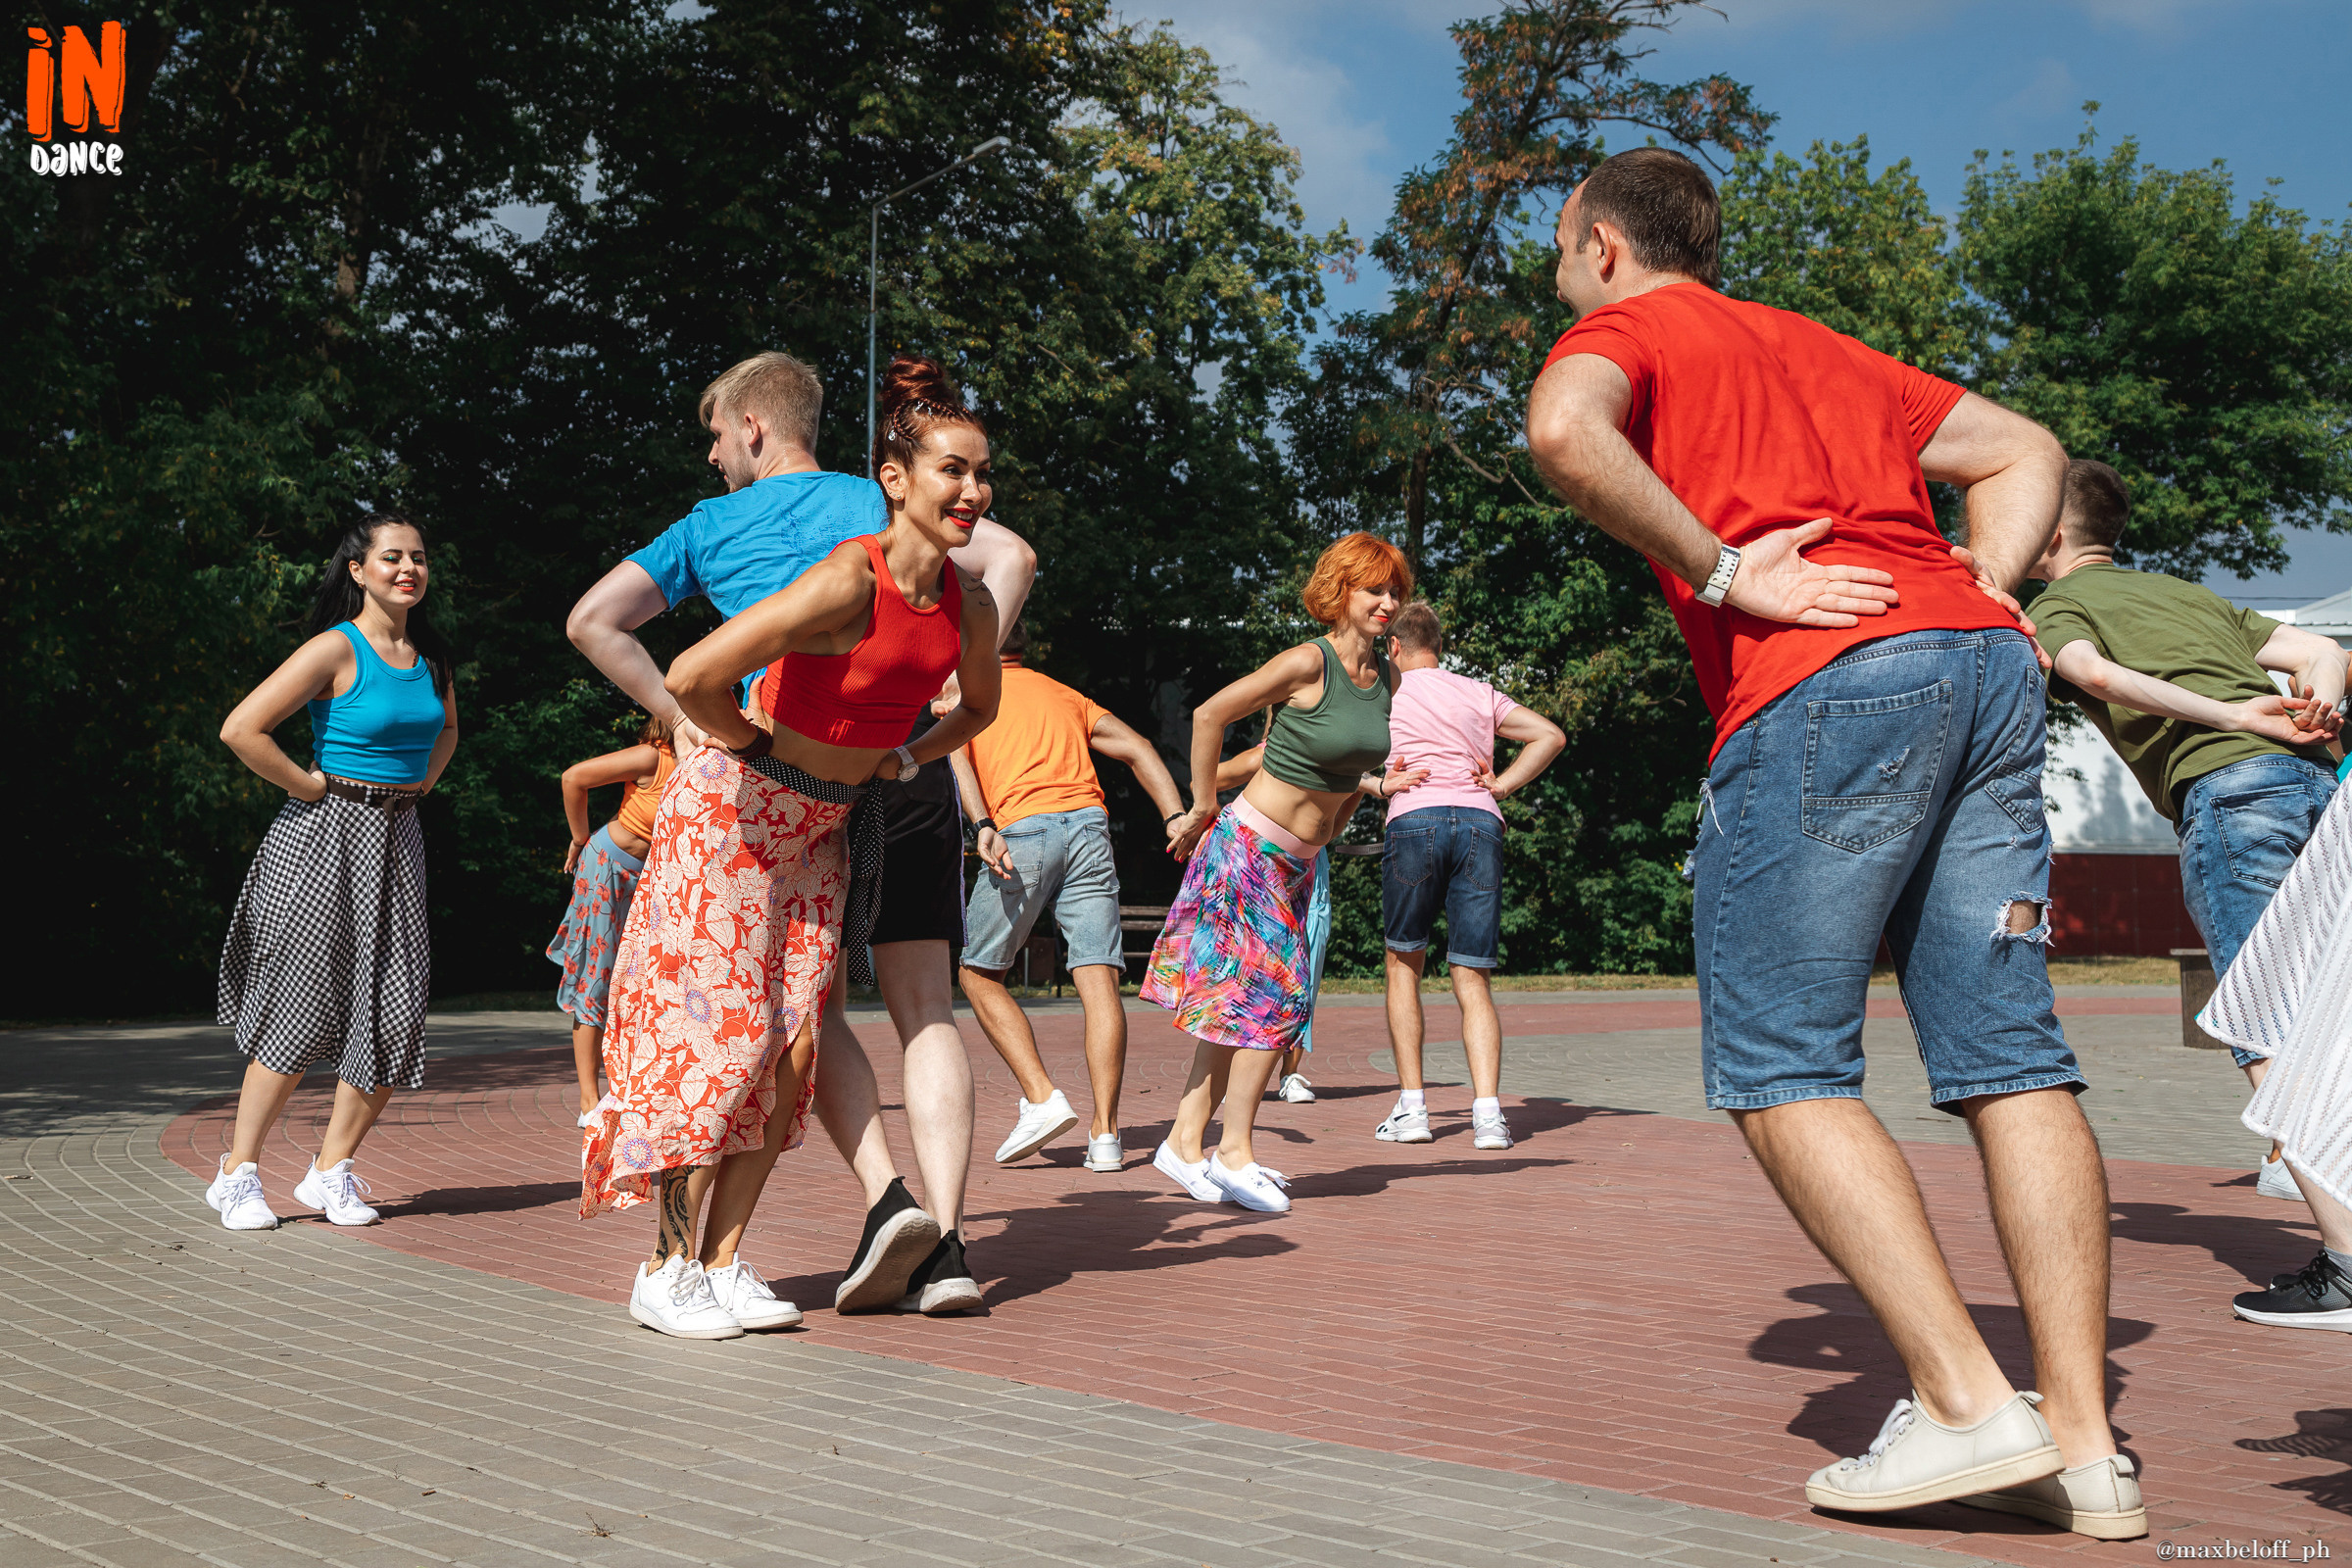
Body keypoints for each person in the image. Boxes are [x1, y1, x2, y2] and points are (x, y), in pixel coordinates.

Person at [1524, 148, 2141, 1537]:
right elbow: (2027, 448)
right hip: (1982, 669)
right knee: (2009, 1058)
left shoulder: (1623, 329)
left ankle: (1971, 1406)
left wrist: (1730, 570)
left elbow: (1566, 433)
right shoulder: (1818, 347)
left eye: (1562, 253)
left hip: (1826, 686)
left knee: (1779, 1063)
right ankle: (2088, 1451)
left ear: (1604, 244)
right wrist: (1980, 576)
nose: (1562, 278)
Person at [566, 350, 1024, 1337]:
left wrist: (907, 759)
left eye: (984, 474)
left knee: (792, 1055)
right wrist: (733, 742)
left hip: (821, 832)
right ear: (893, 483)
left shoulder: (966, 603)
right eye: (955, 471)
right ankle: (664, 1269)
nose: (975, 492)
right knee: (716, 1050)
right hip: (732, 820)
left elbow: (978, 704)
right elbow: (693, 673)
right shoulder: (844, 579)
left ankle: (722, 1261)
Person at [2025, 459, 2346, 1200]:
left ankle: (2336, 1229)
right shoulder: (2186, 594)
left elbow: (2095, 675)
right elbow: (2324, 652)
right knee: (2328, 989)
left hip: (2231, 793)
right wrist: (2320, 705)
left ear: (2051, 535)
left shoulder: (2057, 605)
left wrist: (2232, 716)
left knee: (2259, 1005)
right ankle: (2292, 1154)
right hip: (2315, 787)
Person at [1149, 533, 1423, 1214]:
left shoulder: (1387, 680)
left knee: (1236, 1006)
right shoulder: (1309, 661)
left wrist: (1368, 793)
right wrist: (1204, 802)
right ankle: (1234, 1151)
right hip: (1245, 849)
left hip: (1297, 866)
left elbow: (1344, 766)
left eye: (1395, 591)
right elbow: (1212, 713)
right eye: (1372, 590)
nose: (1387, 602)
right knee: (1276, 999)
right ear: (1341, 593)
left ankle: (1184, 1143)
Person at [211, 515, 460, 1232]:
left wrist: (419, 787)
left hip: (397, 839)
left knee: (396, 1009)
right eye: (392, 557)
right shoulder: (334, 648)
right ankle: (237, 1174)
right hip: (323, 837)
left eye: (418, 556)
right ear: (358, 570)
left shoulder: (432, 656)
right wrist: (307, 785)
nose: (407, 568)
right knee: (302, 1006)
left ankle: (329, 1172)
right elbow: (241, 728)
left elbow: (446, 730)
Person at [950, 617, 1190, 1173]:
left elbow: (955, 756)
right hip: (1088, 827)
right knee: (1099, 977)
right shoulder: (1064, 695)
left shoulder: (969, 691)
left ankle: (1040, 1097)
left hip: (1021, 832)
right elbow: (1138, 747)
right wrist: (1174, 815)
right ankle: (1105, 1136)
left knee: (978, 973)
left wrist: (981, 821)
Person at [1371, 602, 1565, 1151]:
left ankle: (1413, 1110)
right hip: (1481, 822)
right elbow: (1549, 736)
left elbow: (1335, 752)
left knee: (1404, 963)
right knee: (1472, 974)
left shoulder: (1388, 694)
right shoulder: (1478, 692)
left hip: (1415, 818)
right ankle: (1488, 1117)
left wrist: (1378, 783)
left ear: (1394, 648)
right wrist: (1501, 784)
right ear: (1440, 645)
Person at [2197, 786, 2352, 1335]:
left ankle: (2347, 1270)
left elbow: (2098, 692)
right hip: (2323, 784)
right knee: (2331, 1022)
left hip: (2239, 788)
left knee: (2267, 1016)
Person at [547, 717, 676, 1124]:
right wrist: (580, 837)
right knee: (597, 976)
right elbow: (574, 778)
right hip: (606, 864)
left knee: (641, 982)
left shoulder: (709, 764)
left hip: (651, 876)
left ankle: (634, 1088)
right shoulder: (654, 757)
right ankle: (590, 1103)